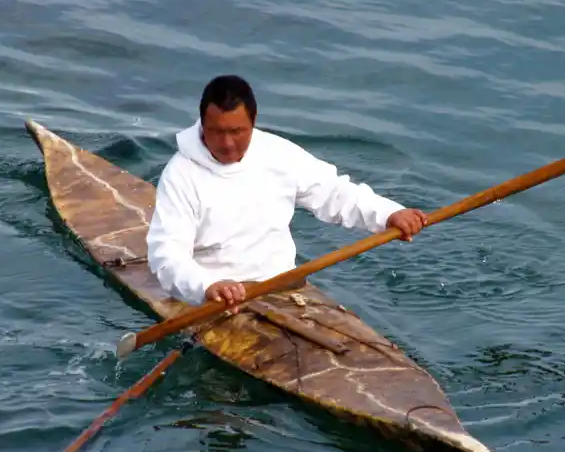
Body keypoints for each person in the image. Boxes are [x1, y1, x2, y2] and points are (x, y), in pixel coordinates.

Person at [145, 75, 427, 311]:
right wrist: (206, 287)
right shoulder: (181, 175)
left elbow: (334, 192)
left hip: (284, 287)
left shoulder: (277, 153)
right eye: (216, 132)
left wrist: (390, 213)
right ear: (202, 125)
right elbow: (168, 254)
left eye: (237, 131)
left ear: (253, 122)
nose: (227, 143)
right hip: (216, 300)